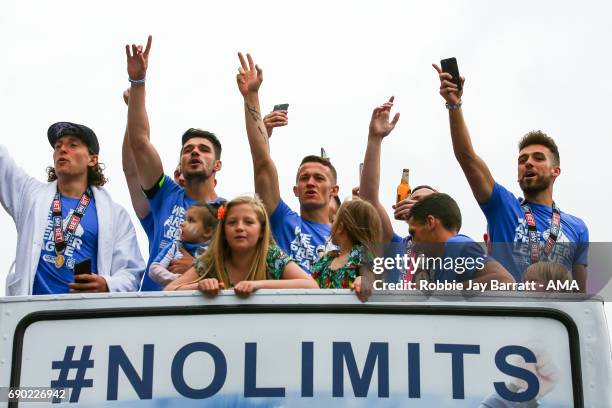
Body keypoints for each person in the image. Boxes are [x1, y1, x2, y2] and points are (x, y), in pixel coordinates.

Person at [433, 64, 588, 289]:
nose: (528, 163)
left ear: (556, 170)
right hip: (509, 317)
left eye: (538, 158)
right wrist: (454, 105)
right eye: (522, 160)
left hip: (552, 320)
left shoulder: (578, 227)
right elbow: (467, 158)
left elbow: (581, 295)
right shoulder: (502, 205)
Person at [125, 35, 225, 291]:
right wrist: (138, 83)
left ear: (217, 165)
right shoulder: (165, 194)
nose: (194, 153)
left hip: (201, 312)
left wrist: (198, 267)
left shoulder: (228, 210)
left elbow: (242, 263)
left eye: (204, 150)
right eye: (188, 150)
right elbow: (139, 143)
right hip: (153, 310)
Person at [0, 122, 144, 295]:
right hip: (33, 317)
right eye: (57, 146)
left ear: (93, 159)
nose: (62, 149)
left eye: (72, 145)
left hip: (80, 316)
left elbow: (131, 272)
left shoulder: (116, 215)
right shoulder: (31, 196)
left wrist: (106, 284)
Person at [236, 52, 338, 273]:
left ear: (334, 190)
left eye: (319, 178)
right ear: (295, 190)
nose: (310, 182)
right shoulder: (282, 219)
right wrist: (251, 96)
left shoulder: (347, 239)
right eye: (304, 178)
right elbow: (262, 162)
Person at [165, 196, 318, 295]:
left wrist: (258, 285)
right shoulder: (212, 260)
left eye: (249, 222)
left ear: (261, 231)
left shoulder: (272, 256)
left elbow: (311, 286)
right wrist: (199, 287)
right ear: (223, 231)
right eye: (232, 222)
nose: (239, 227)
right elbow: (169, 290)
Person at [359, 97, 438, 282]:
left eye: (426, 203)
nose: (417, 206)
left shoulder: (453, 246)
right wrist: (375, 139)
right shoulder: (397, 245)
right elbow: (368, 202)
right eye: (415, 200)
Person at [407, 193, 514, 284]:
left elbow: (506, 281)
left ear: (430, 222)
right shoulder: (442, 263)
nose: (413, 244)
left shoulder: (456, 245)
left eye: (413, 233)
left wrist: (443, 292)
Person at [311, 199, 380, 302]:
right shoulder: (326, 260)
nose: (330, 225)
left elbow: (371, 276)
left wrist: (364, 280)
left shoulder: (361, 253)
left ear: (340, 227)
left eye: (333, 221)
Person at [148, 202, 220, 288]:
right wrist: (180, 279)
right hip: (174, 297)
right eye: (184, 219)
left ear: (207, 232)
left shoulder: (213, 253)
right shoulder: (175, 247)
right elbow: (154, 269)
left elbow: (221, 276)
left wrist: (194, 271)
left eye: (190, 220)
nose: (182, 224)